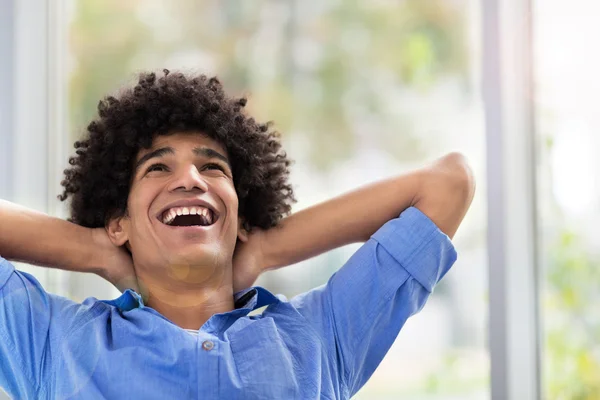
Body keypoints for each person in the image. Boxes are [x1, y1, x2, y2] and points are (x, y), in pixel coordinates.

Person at [0, 70, 475, 399]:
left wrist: (265, 247)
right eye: (158, 167)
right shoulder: (51, 342)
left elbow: (446, 183)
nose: (190, 178)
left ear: (242, 213)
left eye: (212, 167)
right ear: (117, 220)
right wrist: (96, 249)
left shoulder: (318, 336)